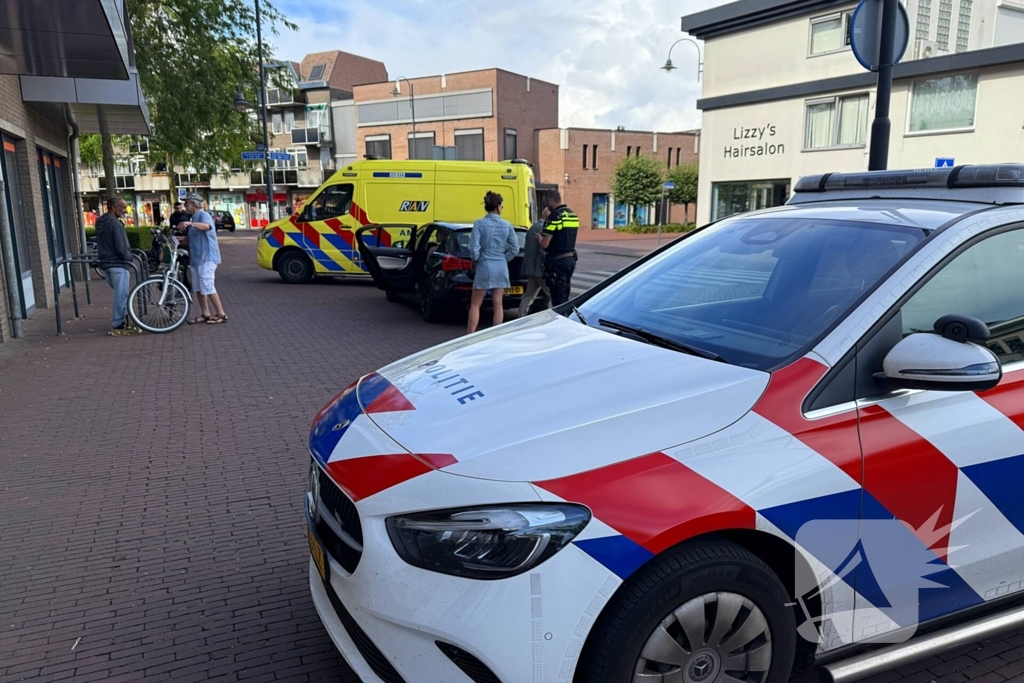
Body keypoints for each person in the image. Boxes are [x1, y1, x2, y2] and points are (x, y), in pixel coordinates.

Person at [467, 191, 519, 334]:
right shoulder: (507, 225)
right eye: (501, 206)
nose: (502, 208)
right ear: (497, 206)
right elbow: (514, 248)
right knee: (498, 303)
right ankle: (495, 335)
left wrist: (477, 259)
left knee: (476, 304)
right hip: (501, 265)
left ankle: (470, 334)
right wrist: (504, 258)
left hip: (485, 264)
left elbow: (473, 247)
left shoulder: (479, 224)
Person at [178, 194, 228, 324]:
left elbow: (207, 227)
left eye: (186, 203)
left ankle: (221, 314)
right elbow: (196, 239)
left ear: (193, 204)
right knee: (198, 287)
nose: (184, 206)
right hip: (196, 258)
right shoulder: (194, 217)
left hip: (207, 257)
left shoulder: (203, 215)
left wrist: (191, 223)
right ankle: (206, 313)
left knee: (207, 285)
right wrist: (183, 239)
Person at [94, 197, 138, 335]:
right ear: (114, 208)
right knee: (121, 293)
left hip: (106, 263)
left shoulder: (101, 222)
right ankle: (118, 322)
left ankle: (126, 316)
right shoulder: (115, 224)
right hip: (118, 263)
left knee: (121, 292)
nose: (125, 211)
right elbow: (121, 246)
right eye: (123, 207)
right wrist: (129, 259)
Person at [539, 191, 580, 307]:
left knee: (558, 300)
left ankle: (562, 320)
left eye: (546, 203)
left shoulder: (554, 216)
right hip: (570, 260)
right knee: (565, 293)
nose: (547, 206)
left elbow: (545, 244)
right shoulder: (573, 215)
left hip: (557, 261)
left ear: (550, 201)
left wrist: (539, 239)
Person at [517, 207, 550, 318]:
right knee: (553, 295)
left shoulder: (532, 227)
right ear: (547, 217)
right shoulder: (544, 228)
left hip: (531, 269)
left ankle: (520, 317)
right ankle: (555, 318)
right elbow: (543, 250)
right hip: (539, 269)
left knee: (528, 296)